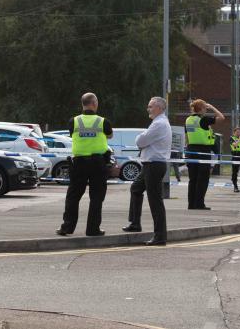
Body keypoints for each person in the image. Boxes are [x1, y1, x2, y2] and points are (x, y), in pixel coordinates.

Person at [57, 92, 113, 237]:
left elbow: (72, 135)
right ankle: (93, 229)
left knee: (73, 196)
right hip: (98, 163)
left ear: (83, 104)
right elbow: (109, 135)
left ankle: (67, 227)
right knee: (96, 197)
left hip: (79, 163)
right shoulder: (103, 121)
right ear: (94, 104)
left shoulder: (73, 121)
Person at [121, 96, 170, 246]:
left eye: (151, 106)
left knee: (155, 200)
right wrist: (142, 139)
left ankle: (160, 236)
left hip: (154, 165)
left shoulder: (159, 124)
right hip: (150, 164)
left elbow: (140, 141)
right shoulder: (157, 123)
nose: (148, 109)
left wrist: (140, 139)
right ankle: (135, 223)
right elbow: (144, 141)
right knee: (135, 188)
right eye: (148, 106)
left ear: (160, 108)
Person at [185, 99, 225, 210]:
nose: (206, 110)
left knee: (192, 179)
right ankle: (199, 204)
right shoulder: (203, 120)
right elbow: (222, 118)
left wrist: (187, 151)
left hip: (191, 150)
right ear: (202, 108)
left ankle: (191, 204)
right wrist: (212, 107)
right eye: (205, 108)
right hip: (203, 151)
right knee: (202, 180)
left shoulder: (188, 120)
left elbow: (187, 137)